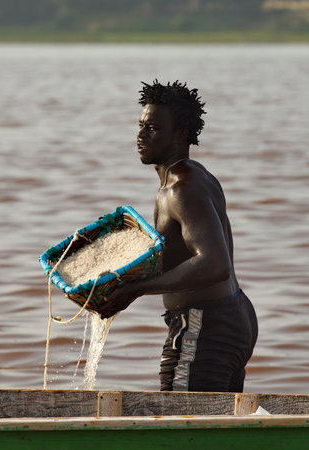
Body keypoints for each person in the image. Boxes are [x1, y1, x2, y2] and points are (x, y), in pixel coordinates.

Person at [98, 80, 258, 393]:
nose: (141, 134)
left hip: (204, 325)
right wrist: (122, 280)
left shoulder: (181, 189)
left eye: (154, 127)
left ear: (181, 135)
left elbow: (214, 264)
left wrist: (136, 290)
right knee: (216, 429)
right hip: (230, 316)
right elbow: (179, 257)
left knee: (184, 425)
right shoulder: (194, 175)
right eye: (141, 124)